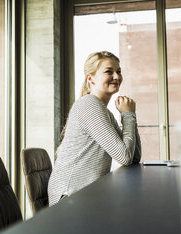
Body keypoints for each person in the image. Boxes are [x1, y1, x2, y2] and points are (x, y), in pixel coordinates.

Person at [48, 51, 141, 206]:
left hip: (87, 195)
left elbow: (133, 157)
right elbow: (125, 157)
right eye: (108, 71)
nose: (117, 77)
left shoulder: (104, 111)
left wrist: (130, 115)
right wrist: (128, 115)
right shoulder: (89, 104)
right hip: (69, 199)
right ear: (90, 78)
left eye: (118, 71)